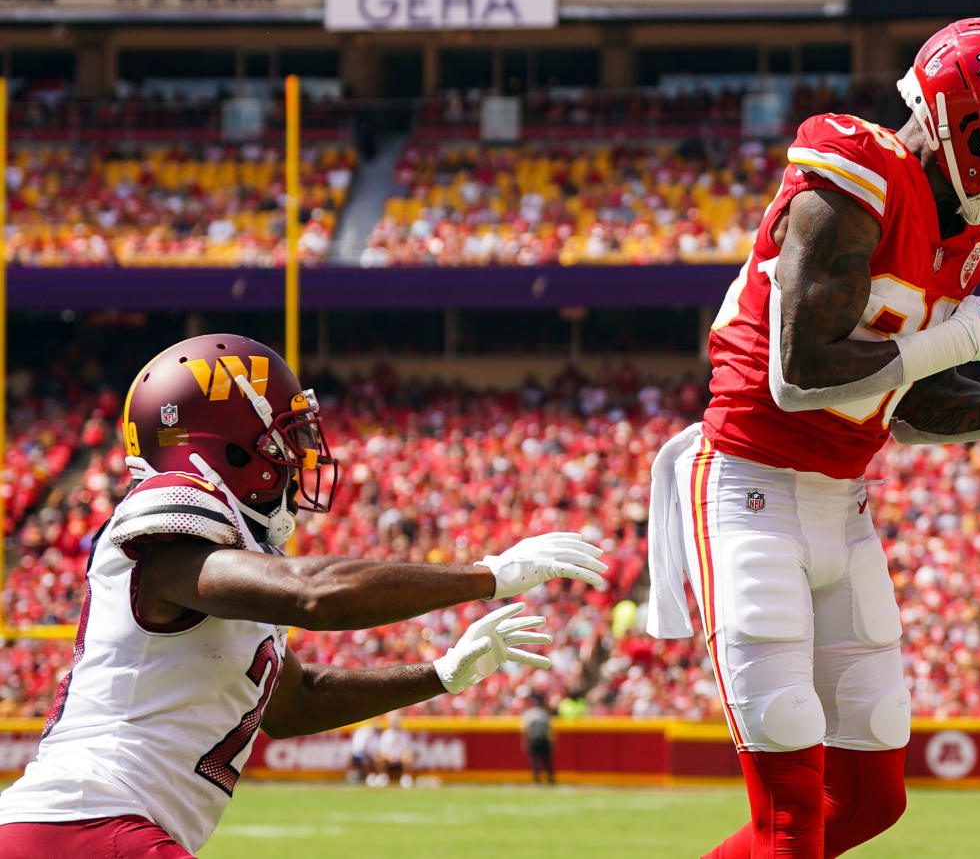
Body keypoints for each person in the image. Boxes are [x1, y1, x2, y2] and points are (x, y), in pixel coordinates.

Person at [646, 17, 980, 859]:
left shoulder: (971, 234)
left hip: (844, 504)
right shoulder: (855, 173)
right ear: (961, 124)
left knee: (872, 800)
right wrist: (964, 338)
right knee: (791, 815)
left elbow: (912, 403)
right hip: (749, 484)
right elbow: (800, 369)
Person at [0, 334, 606, 859]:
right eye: (282, 437)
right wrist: (485, 577)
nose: (298, 457)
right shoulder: (173, 535)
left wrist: (442, 675)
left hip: (98, 828)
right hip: (80, 822)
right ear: (229, 446)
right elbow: (316, 595)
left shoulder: (228, 562)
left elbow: (294, 703)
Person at [522, 693, 556, 785]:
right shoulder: (544, 713)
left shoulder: (530, 713)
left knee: (536, 760)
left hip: (535, 739)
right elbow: (551, 728)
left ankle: (538, 779)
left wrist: (525, 741)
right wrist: (552, 740)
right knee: (544, 760)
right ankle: (549, 779)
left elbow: (525, 729)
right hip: (542, 739)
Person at [379, 712, 414, 788]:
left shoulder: (405, 733)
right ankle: (383, 777)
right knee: (379, 757)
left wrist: (400, 756)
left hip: (401, 758)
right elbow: (382, 751)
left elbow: (407, 750)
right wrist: (390, 757)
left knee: (408, 757)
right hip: (389, 758)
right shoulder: (386, 734)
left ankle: (406, 778)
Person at [349, 718, 387, 788]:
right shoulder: (364, 732)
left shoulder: (378, 734)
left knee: (380, 759)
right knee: (365, 760)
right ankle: (370, 777)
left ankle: (381, 777)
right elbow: (360, 749)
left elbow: (380, 748)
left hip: (374, 755)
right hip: (363, 755)